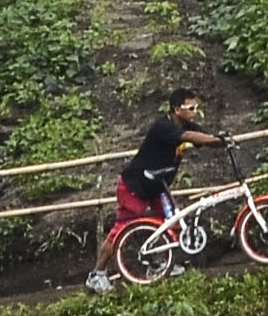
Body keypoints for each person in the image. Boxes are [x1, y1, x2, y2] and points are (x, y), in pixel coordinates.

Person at [91, 89, 225, 294]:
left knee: (169, 221)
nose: (195, 112)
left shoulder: (187, 125)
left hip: (157, 185)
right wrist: (215, 140)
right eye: (191, 108)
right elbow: (189, 136)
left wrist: (223, 141)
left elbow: (202, 138)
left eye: (196, 108)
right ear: (176, 109)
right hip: (134, 185)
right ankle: (97, 274)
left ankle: (159, 263)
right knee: (121, 230)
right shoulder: (163, 126)